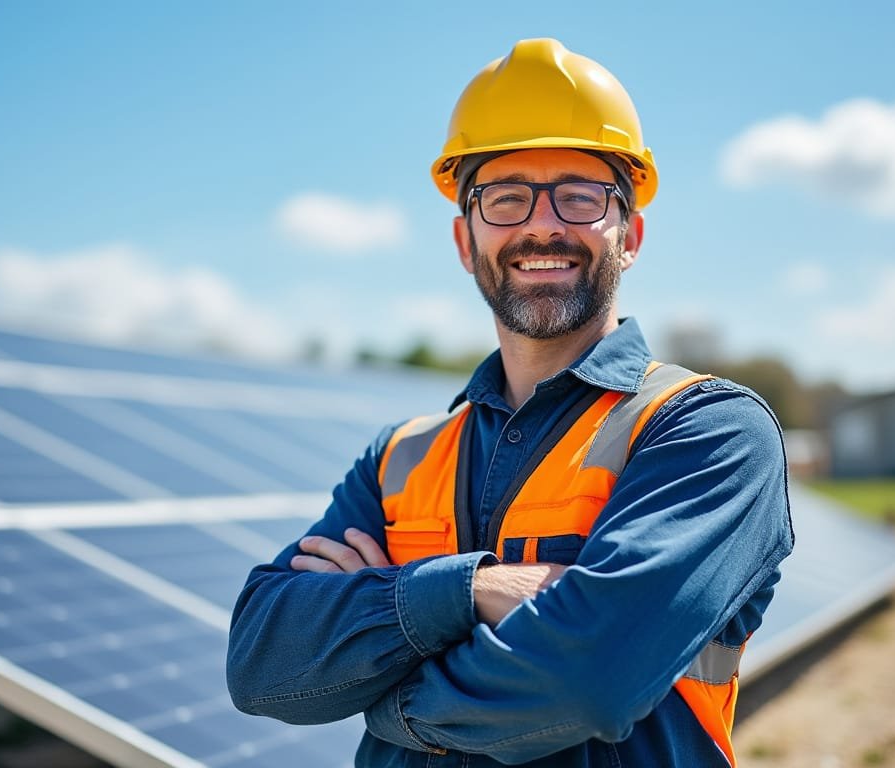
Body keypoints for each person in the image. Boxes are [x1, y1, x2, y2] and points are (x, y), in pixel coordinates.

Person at [227, 37, 794, 768]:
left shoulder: (708, 432)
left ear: (631, 235)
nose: (543, 224)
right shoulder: (400, 457)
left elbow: (590, 679)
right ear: (465, 240)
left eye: (581, 196)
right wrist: (472, 590)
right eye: (506, 198)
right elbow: (262, 664)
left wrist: (385, 690)